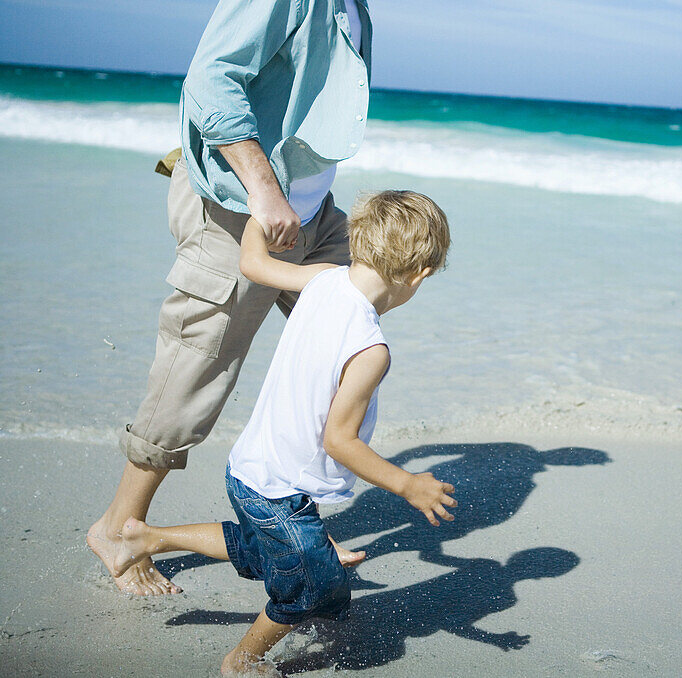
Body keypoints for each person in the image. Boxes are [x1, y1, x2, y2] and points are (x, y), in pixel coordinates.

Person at [88, 0, 412, 595]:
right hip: (244, 208)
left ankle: (294, 520)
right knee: (199, 364)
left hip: (312, 213)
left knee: (346, 348)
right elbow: (210, 78)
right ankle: (120, 528)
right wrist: (264, 190)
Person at [108, 189, 457, 676]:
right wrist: (407, 484)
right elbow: (340, 441)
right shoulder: (371, 349)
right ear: (419, 274)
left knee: (264, 550)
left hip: (252, 466)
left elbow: (252, 263)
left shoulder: (322, 278)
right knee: (308, 586)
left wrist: (259, 217)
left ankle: (146, 538)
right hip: (277, 487)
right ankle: (242, 659)